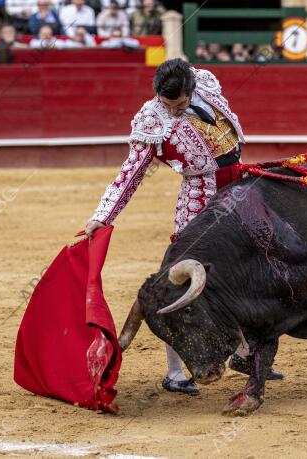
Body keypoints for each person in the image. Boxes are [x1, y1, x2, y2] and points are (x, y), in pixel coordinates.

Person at [85, 59, 284, 393]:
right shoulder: (153, 118)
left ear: (191, 90)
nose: (172, 110)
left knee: (251, 266)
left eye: (178, 104)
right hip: (201, 198)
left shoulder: (205, 82)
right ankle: (174, 372)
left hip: (238, 188)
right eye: (167, 103)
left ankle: (244, 352)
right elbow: (130, 174)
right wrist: (102, 216)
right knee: (181, 280)